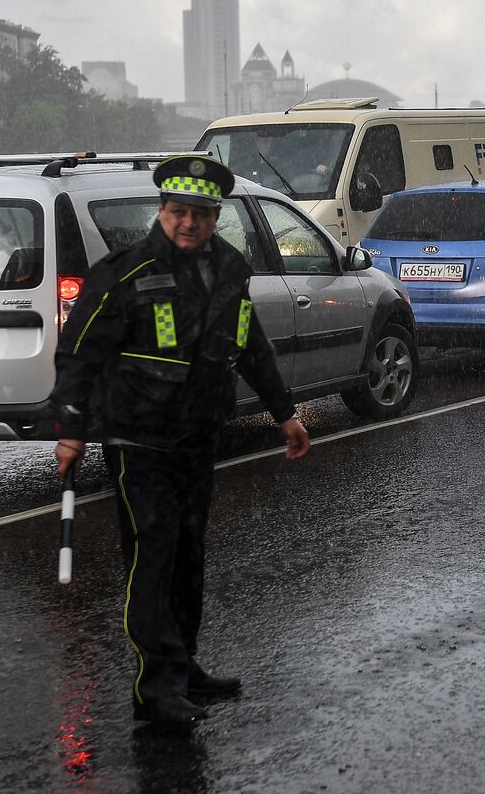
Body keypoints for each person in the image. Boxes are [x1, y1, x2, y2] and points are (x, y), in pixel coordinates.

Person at [50, 155, 311, 726]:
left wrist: (283, 414)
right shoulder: (124, 273)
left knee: (189, 555)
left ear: (216, 217)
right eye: (178, 212)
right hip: (137, 440)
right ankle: (156, 686)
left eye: (201, 213)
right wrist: (70, 429)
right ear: (161, 211)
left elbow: (249, 347)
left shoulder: (231, 271)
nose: (189, 223)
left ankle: (184, 665)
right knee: (154, 552)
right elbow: (78, 354)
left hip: (197, 436)